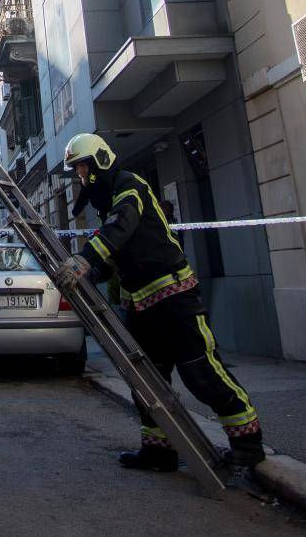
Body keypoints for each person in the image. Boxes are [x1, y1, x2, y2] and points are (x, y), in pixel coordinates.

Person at [52, 134, 263, 470]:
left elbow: (121, 227)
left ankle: (247, 444)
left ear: (99, 161)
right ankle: (159, 450)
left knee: (201, 372)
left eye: (81, 168)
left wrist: (86, 259)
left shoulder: (129, 185)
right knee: (148, 382)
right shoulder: (107, 201)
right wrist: (92, 274)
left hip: (174, 297)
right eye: (76, 170)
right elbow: (116, 251)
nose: (80, 176)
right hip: (141, 305)